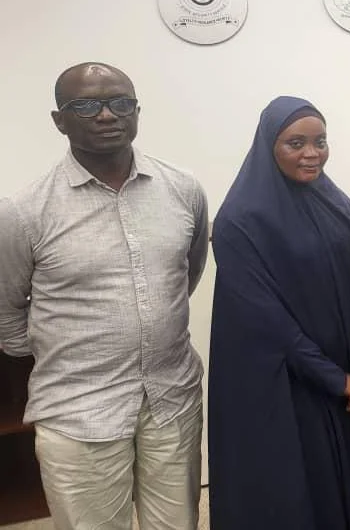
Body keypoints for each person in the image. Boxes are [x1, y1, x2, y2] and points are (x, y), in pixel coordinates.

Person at [0, 63, 208, 530]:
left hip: (171, 399)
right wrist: (65, 354)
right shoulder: (23, 211)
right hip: (78, 411)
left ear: (137, 110)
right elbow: (6, 313)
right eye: (86, 105)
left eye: (120, 103)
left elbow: (184, 275)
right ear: (59, 120)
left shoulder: (183, 189)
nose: (107, 115)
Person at [208, 97, 350, 530]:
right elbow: (266, 322)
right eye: (295, 143)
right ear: (269, 146)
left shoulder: (333, 200)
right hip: (297, 389)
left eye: (320, 142)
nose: (311, 153)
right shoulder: (240, 221)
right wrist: (332, 379)